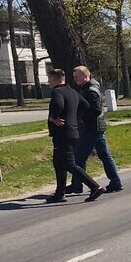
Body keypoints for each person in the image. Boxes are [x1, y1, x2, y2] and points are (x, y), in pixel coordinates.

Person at [45, 68, 104, 203]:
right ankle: (59, 193)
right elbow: (86, 105)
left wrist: (54, 117)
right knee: (58, 163)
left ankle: (95, 186)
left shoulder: (57, 92)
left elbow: (58, 105)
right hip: (73, 132)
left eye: (49, 79)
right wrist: (75, 117)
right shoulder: (72, 91)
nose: (48, 82)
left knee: (70, 164)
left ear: (54, 80)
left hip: (62, 133)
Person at [69, 65, 122, 194]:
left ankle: (77, 184)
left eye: (77, 76)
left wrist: (83, 119)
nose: (75, 79)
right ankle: (115, 181)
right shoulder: (87, 87)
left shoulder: (91, 90)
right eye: (74, 76)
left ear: (85, 76)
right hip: (96, 127)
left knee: (79, 157)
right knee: (104, 155)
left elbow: (96, 110)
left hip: (92, 127)